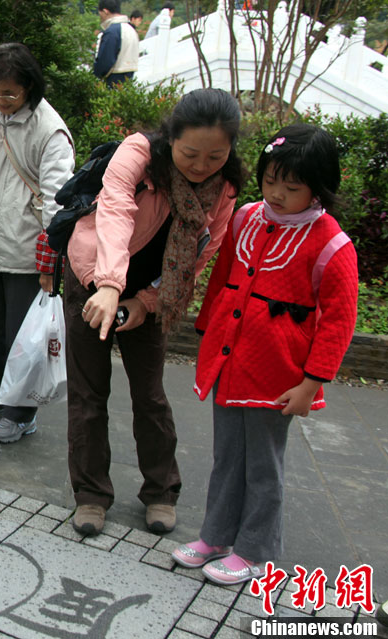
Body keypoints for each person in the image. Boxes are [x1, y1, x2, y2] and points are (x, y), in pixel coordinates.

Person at [172, 124, 358, 584]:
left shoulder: (331, 244)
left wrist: (311, 384)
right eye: (270, 180)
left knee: (263, 465)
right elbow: (222, 279)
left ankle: (256, 551)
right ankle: (216, 535)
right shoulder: (246, 218)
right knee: (226, 456)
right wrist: (206, 332)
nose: (276, 193)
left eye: (291, 188)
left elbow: (338, 321)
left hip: (278, 375)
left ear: (318, 188)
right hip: (229, 361)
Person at [59, 88, 245, 536]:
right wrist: (108, 286)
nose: (201, 166)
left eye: (215, 156)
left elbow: (205, 251)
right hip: (93, 276)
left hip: (153, 292)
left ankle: (161, 491)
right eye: (191, 154)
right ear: (171, 136)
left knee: (150, 394)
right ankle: (91, 495)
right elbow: (116, 211)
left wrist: (146, 302)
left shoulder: (224, 187)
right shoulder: (139, 154)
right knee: (88, 394)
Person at [0, 43, 74, 444]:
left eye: (9, 93)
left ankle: (21, 413)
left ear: (30, 87)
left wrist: (50, 262)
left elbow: (58, 200)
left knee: (23, 340)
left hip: (26, 250)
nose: (0, 100)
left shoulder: (50, 130)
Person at [93, 0, 140, 87]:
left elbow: (105, 61)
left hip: (113, 78)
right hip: (128, 76)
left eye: (100, 14)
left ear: (105, 11)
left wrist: (95, 76)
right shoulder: (131, 29)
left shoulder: (113, 31)